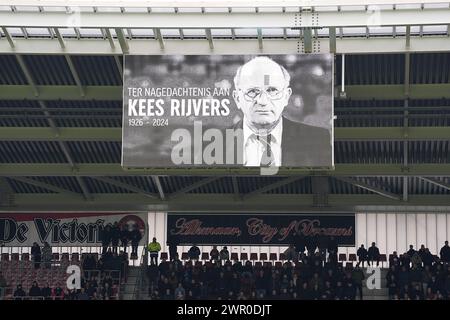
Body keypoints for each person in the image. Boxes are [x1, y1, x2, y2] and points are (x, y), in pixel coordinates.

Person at [232, 56, 331, 167]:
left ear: (286, 96)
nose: (262, 101)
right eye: (252, 91)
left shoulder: (318, 138)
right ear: (237, 98)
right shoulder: (213, 142)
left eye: (272, 90)